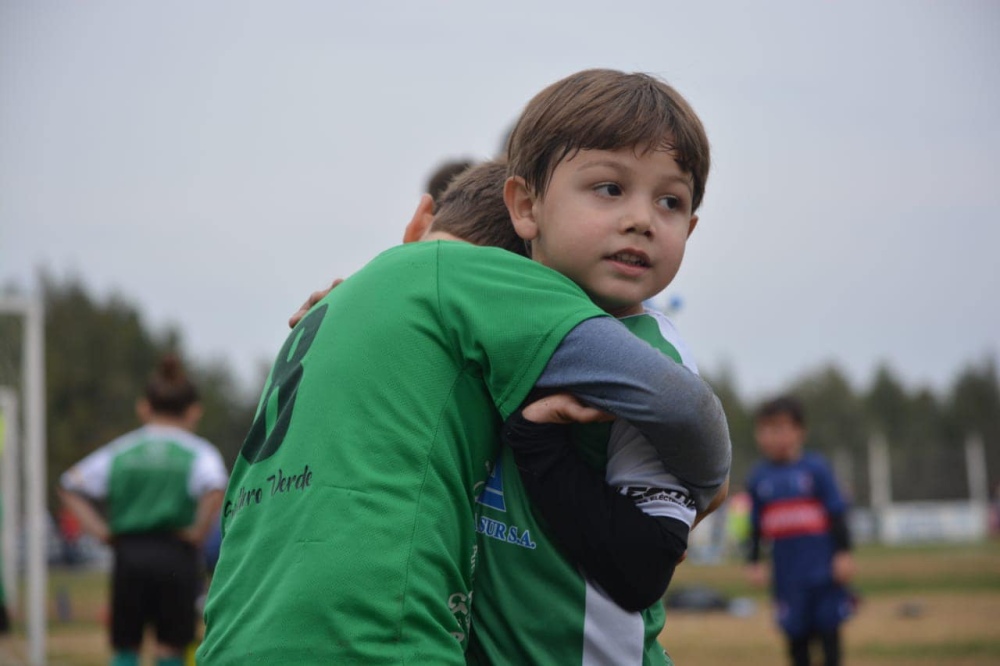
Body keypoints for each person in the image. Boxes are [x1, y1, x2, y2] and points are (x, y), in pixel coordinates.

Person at [198, 155, 729, 662]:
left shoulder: (339, 304)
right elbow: (676, 402)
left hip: (231, 627)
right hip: (372, 632)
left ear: (419, 219)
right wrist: (709, 480)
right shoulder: (475, 277)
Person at [468, 68, 724, 665]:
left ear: (688, 229)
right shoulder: (482, 318)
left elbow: (642, 569)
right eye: (610, 188)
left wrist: (539, 444)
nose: (642, 218)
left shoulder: (650, 360)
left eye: (670, 201)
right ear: (525, 206)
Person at [59, 355, 228, 666]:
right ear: (193, 411)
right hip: (176, 553)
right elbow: (215, 488)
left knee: (126, 646)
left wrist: (101, 532)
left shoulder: (122, 451)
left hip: (129, 553)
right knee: (170, 648)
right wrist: (197, 532)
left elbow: (69, 485)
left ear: (144, 407)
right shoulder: (198, 451)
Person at [745, 396, 855, 666]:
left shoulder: (816, 468)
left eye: (780, 428)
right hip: (787, 577)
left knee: (830, 639)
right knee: (796, 644)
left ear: (799, 432)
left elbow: (837, 514)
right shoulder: (759, 477)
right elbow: (755, 526)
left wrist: (843, 554)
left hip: (822, 573)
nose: (773, 437)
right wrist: (755, 562)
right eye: (766, 429)